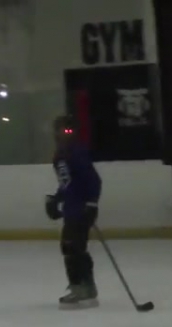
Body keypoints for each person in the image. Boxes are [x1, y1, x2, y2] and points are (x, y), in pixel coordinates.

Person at [45, 115, 102, 308]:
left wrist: (92, 204)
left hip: (81, 208)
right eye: (59, 129)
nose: (62, 133)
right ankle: (81, 286)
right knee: (70, 247)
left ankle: (83, 288)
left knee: (74, 247)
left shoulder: (76, 152)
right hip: (71, 208)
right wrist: (56, 199)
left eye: (67, 130)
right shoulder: (60, 154)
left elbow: (93, 180)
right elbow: (66, 182)